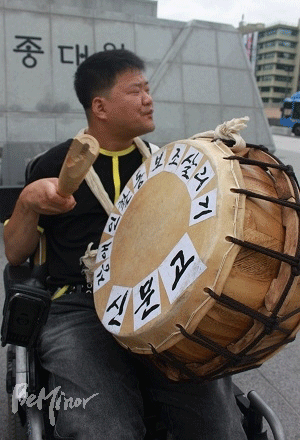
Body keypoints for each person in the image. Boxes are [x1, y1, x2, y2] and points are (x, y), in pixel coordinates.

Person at [4, 49, 247, 440]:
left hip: (159, 300)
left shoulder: (167, 164)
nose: (148, 99)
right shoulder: (55, 165)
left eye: (147, 89)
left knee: (217, 425)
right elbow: (15, 254)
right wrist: (29, 202)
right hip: (78, 307)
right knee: (105, 428)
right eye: (136, 91)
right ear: (100, 106)